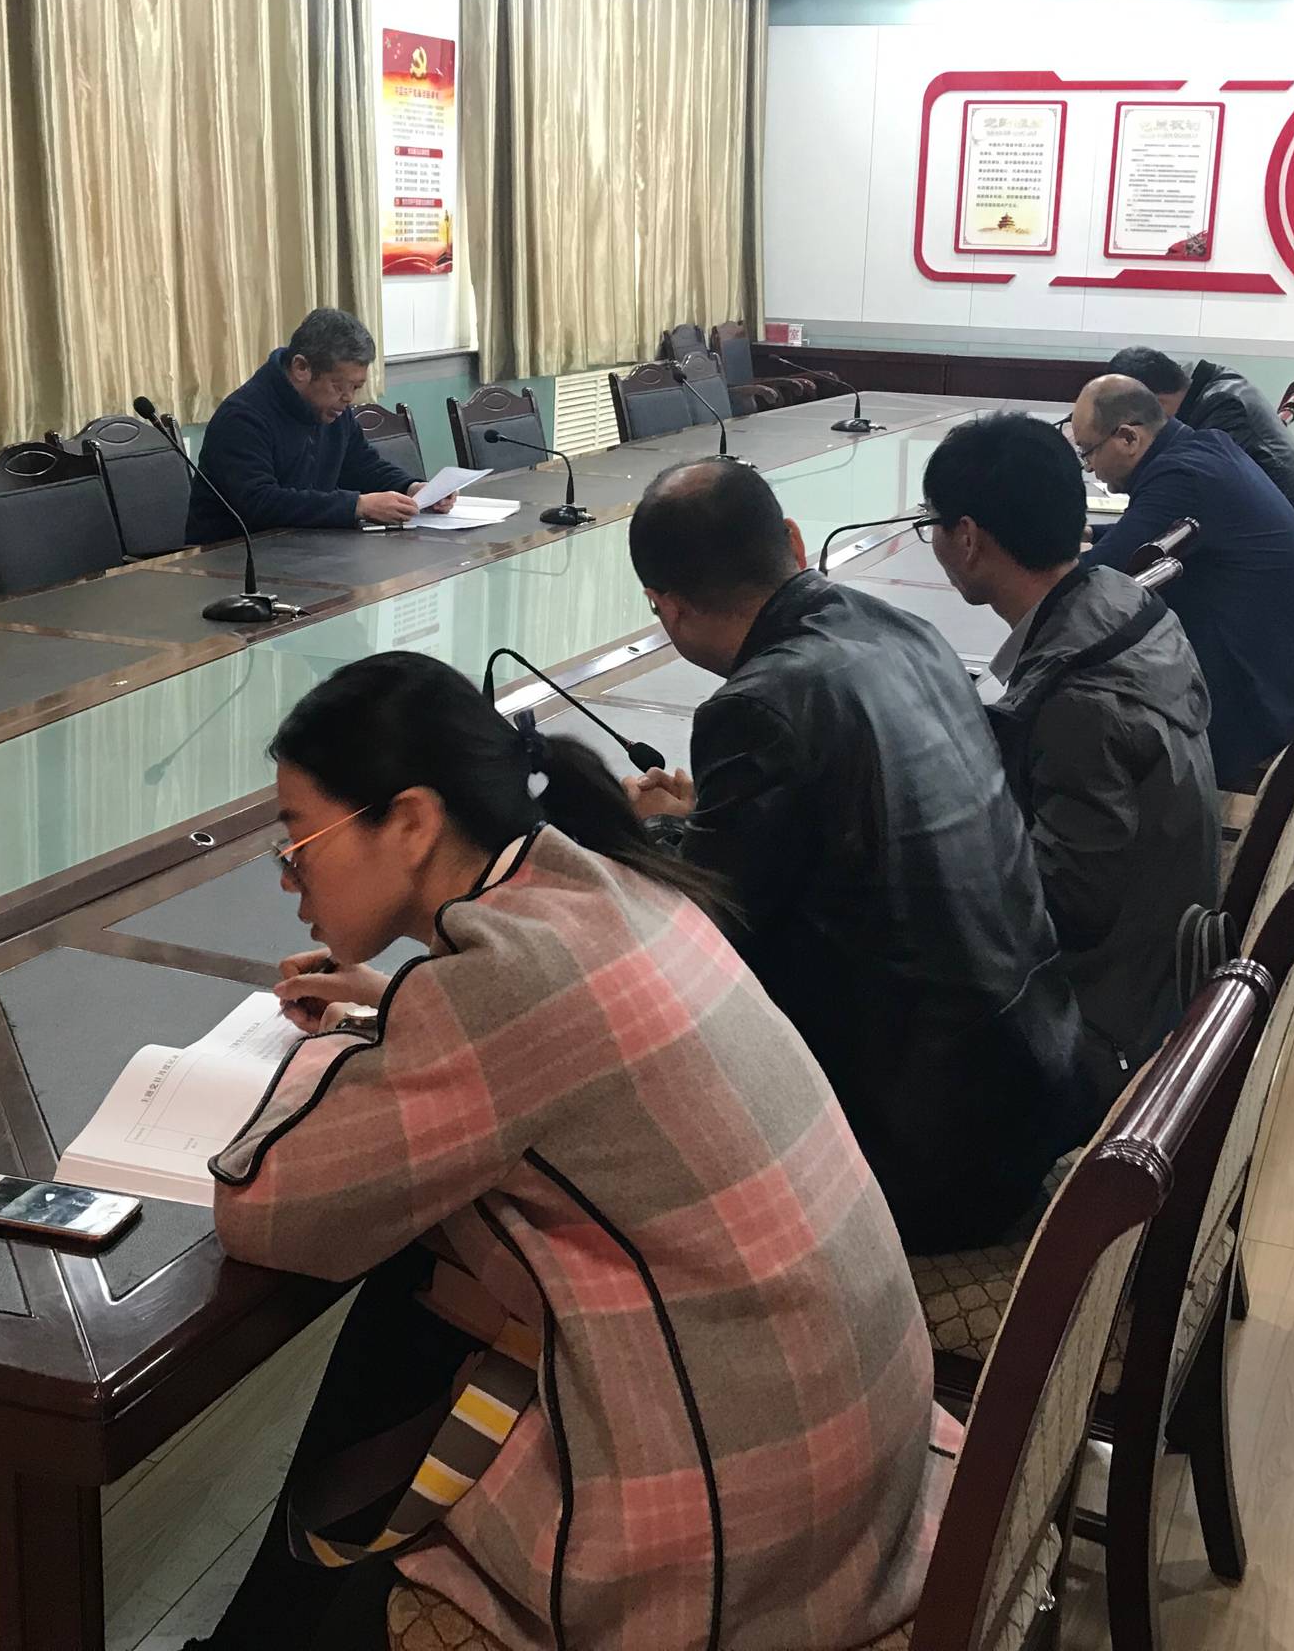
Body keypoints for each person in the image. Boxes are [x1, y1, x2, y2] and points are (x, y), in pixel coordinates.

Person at [194, 652, 950, 1651]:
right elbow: (533, 1044)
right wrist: (396, 1014)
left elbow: (268, 1207)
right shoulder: (609, 886)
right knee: (426, 1288)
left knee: (413, 1312)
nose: (292, 881)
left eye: (300, 843)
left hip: (743, 1550)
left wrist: (331, 1048)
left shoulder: (502, 984)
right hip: (857, 1458)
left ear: (411, 822)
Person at [621, 459, 1093, 1255]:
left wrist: (633, 842)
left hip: (922, 1156)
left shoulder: (757, 707)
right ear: (793, 541)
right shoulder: (902, 630)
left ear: (665, 605)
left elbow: (703, 946)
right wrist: (704, 820)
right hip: (1035, 1075)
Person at [923, 412, 1219, 1102]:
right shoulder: (1122, 602)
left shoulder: (1077, 702)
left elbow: (1058, 907)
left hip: (1107, 1027)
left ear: (967, 539)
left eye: (930, 524)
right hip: (1162, 961)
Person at [1074, 375, 1294, 785]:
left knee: (1076, 724)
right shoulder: (1202, 448)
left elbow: (1098, 577)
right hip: (1293, 673)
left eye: (1088, 452)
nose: (1089, 467)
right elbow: (1145, 537)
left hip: (1258, 706)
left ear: (1128, 438)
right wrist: (1089, 532)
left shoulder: (1181, 477)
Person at [187, 307, 449, 537]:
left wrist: (410, 488)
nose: (348, 398)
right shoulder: (242, 417)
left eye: (356, 387)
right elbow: (260, 502)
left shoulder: (333, 410)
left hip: (304, 546)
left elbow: (362, 466)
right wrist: (357, 506)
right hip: (232, 558)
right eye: (338, 386)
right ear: (301, 368)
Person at [1107, 344, 1294, 562]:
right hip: (1281, 550)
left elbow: (1171, 508)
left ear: (1154, 404)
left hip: (1290, 564)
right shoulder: (1217, 384)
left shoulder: (1225, 411)